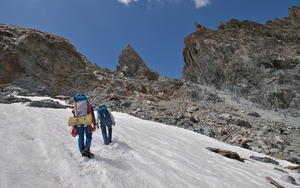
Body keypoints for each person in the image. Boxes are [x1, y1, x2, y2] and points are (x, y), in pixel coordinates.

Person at [71, 94, 96, 158]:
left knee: (80, 138)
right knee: (89, 136)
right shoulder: (88, 106)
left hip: (79, 123)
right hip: (86, 123)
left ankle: (82, 151)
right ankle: (86, 149)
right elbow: (92, 115)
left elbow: (74, 113)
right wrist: (94, 124)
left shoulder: (76, 107)